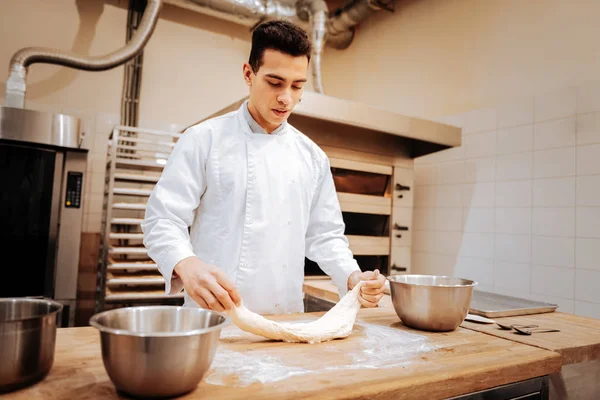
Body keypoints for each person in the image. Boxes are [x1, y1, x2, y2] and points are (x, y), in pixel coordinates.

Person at [141, 20, 386, 316]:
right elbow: (163, 219)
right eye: (275, 82)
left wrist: (352, 275)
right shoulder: (204, 139)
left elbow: (325, 235)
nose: (287, 98)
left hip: (286, 318)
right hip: (215, 317)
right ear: (248, 74)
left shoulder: (312, 157)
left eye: (297, 86)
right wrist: (187, 265)